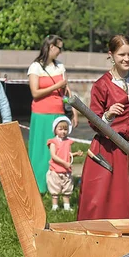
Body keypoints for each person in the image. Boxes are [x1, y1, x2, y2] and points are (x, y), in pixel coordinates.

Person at [77, 34, 129, 220]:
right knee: (104, 199)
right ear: (111, 54)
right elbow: (93, 120)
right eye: (122, 55)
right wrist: (108, 115)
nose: (127, 59)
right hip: (107, 149)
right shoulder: (102, 85)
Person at [27, 35, 79, 194]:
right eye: (59, 48)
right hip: (41, 114)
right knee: (40, 151)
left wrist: (75, 111)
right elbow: (35, 93)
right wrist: (57, 85)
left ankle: (56, 187)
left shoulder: (60, 67)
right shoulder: (35, 67)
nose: (60, 52)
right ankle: (38, 186)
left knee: (58, 149)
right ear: (51, 47)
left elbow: (66, 90)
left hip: (58, 113)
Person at [46, 116, 83, 211]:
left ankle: (67, 206)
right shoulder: (53, 142)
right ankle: (55, 206)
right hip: (55, 170)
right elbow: (54, 156)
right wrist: (64, 163)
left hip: (66, 170)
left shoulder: (68, 142)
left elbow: (67, 154)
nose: (63, 131)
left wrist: (75, 154)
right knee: (55, 189)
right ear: (55, 130)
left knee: (67, 189)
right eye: (60, 129)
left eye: (65, 129)